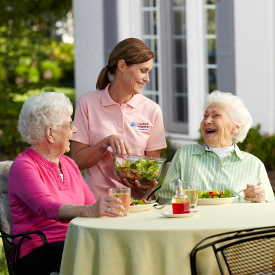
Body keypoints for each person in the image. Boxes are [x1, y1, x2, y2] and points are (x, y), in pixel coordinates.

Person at [8, 92, 125, 275]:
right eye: (69, 124)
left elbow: (89, 205)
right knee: (102, 256)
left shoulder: (69, 163)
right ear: (50, 133)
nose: (75, 130)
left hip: (76, 242)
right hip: (40, 252)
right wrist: (91, 210)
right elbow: (47, 207)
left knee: (120, 249)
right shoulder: (24, 165)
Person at [72, 38, 167, 201]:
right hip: (98, 204)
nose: (147, 78)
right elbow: (77, 162)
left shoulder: (152, 110)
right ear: (122, 66)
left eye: (148, 71)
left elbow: (152, 169)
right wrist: (105, 143)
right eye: (143, 71)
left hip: (138, 205)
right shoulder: (87, 104)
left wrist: (144, 183)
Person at [159, 91, 275, 204]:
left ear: (236, 127)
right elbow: (165, 199)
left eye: (216, 115)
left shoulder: (254, 164)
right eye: (205, 116)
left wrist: (261, 201)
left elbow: (270, 209)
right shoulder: (184, 155)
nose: (207, 121)